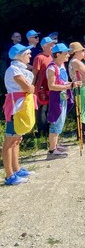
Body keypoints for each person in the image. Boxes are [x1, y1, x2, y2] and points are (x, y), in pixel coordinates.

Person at [3, 44, 36, 185]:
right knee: (9, 142)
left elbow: (29, 88)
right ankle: (10, 175)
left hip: (21, 106)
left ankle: (16, 169)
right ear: (20, 55)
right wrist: (30, 88)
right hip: (15, 108)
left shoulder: (20, 69)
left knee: (17, 139)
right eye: (27, 53)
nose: (30, 55)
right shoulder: (14, 69)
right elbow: (28, 87)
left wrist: (30, 89)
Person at [47, 43, 78, 159]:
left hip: (63, 96)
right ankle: (52, 150)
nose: (68, 55)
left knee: (61, 121)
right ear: (58, 54)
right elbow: (52, 86)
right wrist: (70, 86)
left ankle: (55, 144)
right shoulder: (51, 68)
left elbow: (63, 82)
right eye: (65, 53)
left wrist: (72, 84)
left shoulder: (61, 66)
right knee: (56, 122)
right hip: (56, 98)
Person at [32, 36, 57, 138]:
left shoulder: (52, 57)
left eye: (53, 45)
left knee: (50, 108)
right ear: (44, 46)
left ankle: (49, 130)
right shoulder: (39, 58)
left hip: (51, 86)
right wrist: (32, 87)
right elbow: (34, 73)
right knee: (42, 109)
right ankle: (42, 132)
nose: (53, 47)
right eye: (51, 45)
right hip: (41, 88)